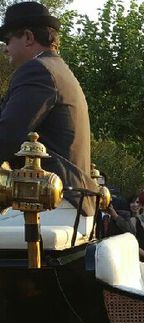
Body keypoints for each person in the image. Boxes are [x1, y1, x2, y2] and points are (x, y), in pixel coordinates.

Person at [0, 2, 97, 214]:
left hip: (51, 202)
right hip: (64, 200)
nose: (5, 48)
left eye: (8, 40)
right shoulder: (55, 68)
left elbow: (7, 136)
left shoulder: (37, 70)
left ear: (28, 37)